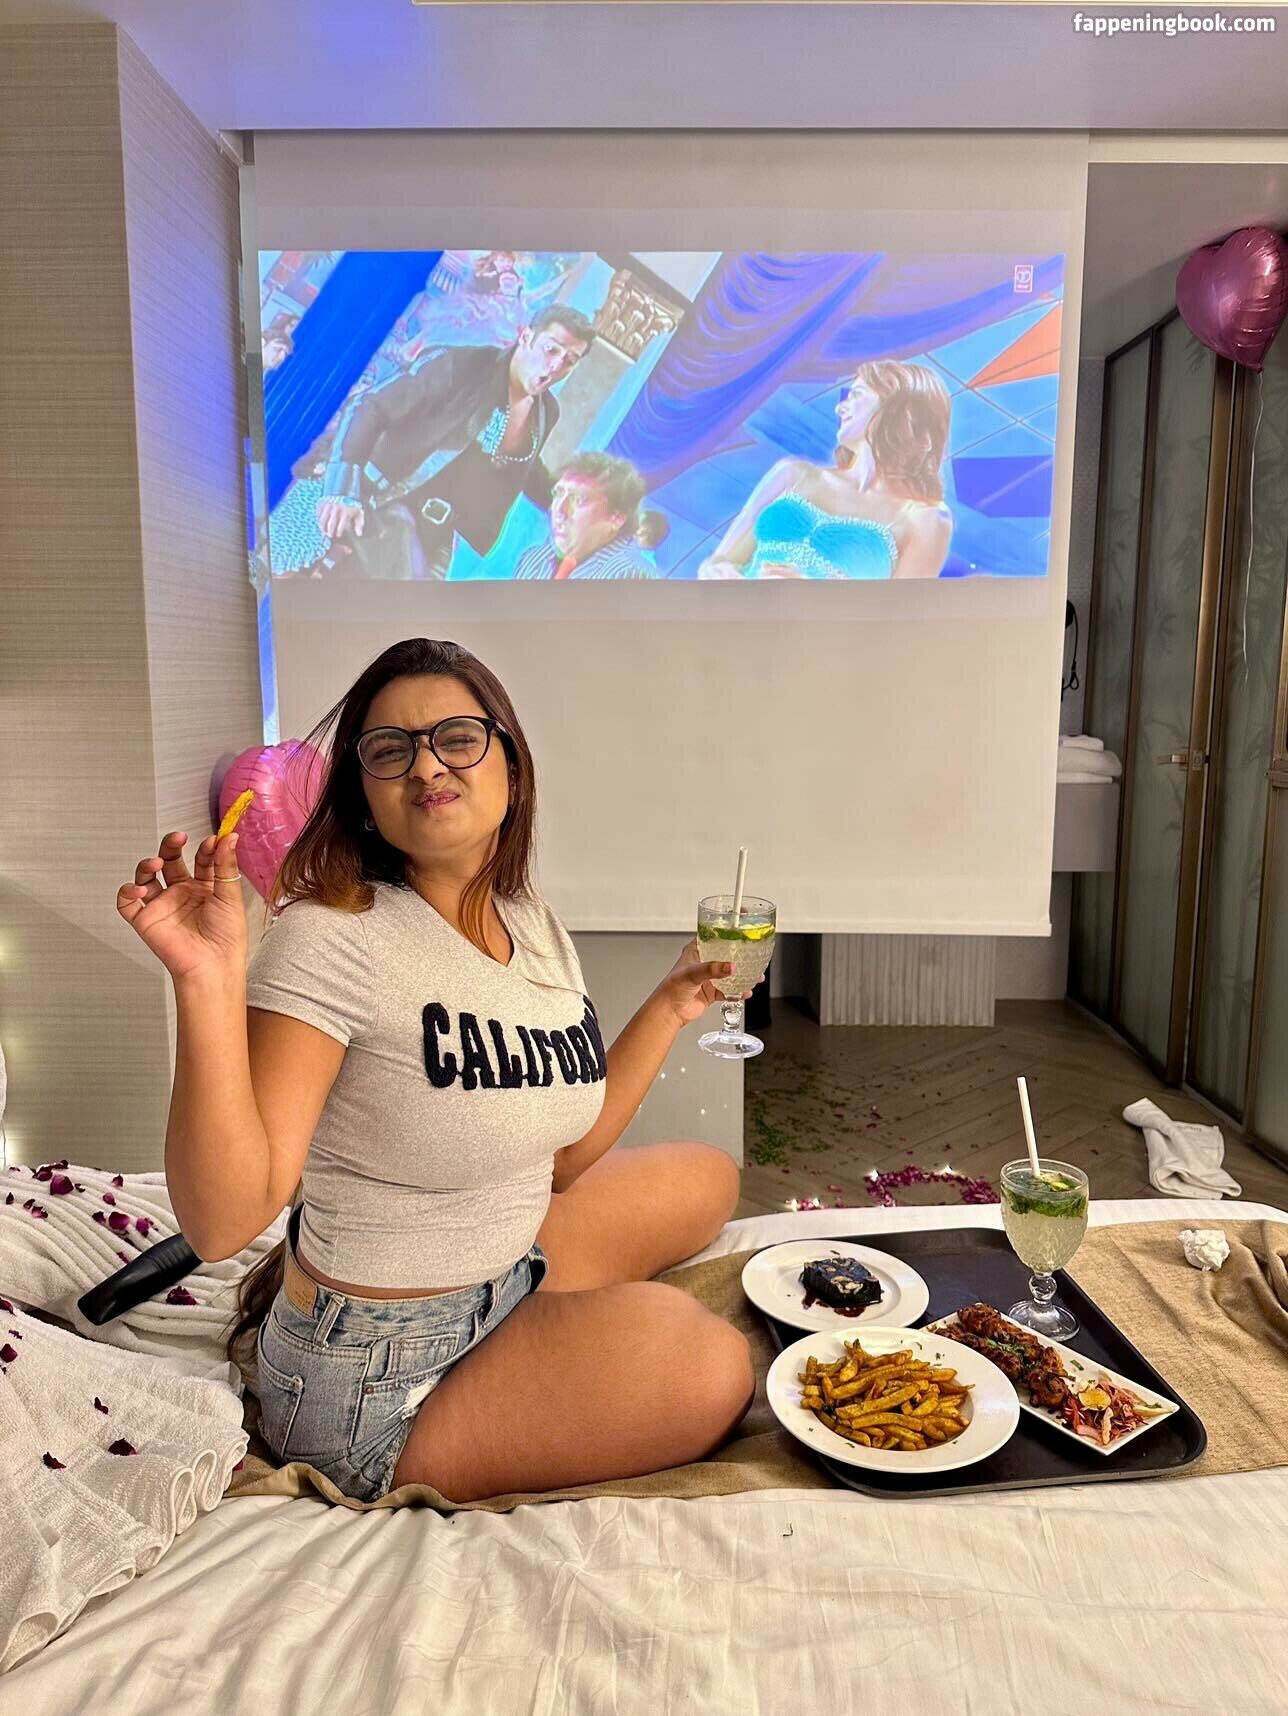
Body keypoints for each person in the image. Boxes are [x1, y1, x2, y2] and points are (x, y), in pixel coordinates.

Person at [115, 638, 755, 1505]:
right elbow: (224, 1220)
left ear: (511, 768)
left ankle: (549, 1328)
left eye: (456, 737)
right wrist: (207, 982)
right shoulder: (331, 938)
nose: (425, 766)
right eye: (390, 750)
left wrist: (672, 1005)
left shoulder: (527, 918)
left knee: (710, 1178)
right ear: (364, 795)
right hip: (380, 1370)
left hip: (506, 1259)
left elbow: (562, 1159)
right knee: (709, 1361)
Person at [315, 306, 596, 581]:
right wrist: (342, 489)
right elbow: (370, 405)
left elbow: (524, 464)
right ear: (525, 336)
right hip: (381, 507)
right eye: (551, 349)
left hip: (438, 536)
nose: (556, 366)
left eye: (570, 360)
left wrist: (572, 507)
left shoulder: (546, 412)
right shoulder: (463, 366)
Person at [698, 360, 954, 581]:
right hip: (741, 617)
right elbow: (717, 562)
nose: (840, 407)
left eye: (857, 395)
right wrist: (719, 572)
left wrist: (817, 596)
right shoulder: (792, 474)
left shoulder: (926, 518)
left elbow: (902, 617)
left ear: (900, 411)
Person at [513, 453, 655, 580]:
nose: (559, 511)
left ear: (617, 518)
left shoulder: (629, 575)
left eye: (578, 499)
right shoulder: (534, 558)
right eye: (558, 494)